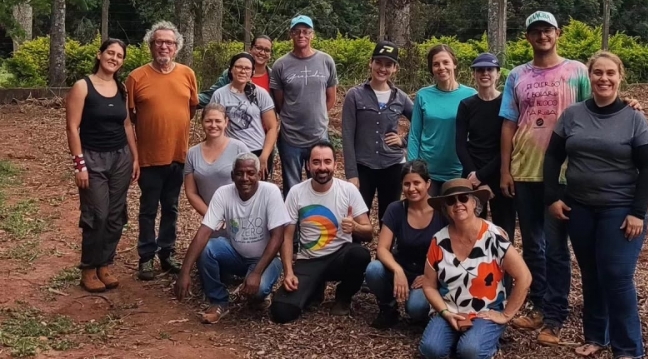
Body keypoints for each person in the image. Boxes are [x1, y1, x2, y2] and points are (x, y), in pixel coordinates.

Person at [544, 51, 648, 358]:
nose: (604, 78)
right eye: (598, 73)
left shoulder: (634, 118)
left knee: (617, 276)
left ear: (620, 77)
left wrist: (637, 212)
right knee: (592, 273)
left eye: (610, 73)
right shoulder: (573, 114)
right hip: (579, 207)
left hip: (620, 210)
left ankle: (628, 349)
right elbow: (553, 156)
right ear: (589, 77)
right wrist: (553, 196)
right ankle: (596, 336)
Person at [498, 11, 590, 342]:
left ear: (558, 33)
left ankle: (555, 316)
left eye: (547, 30)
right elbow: (509, 123)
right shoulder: (516, 75)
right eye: (535, 31)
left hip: (565, 174)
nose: (542, 36)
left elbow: (595, 108)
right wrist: (506, 170)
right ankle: (539, 305)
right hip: (525, 170)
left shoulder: (577, 71)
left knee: (556, 246)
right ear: (527, 37)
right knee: (533, 244)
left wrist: (629, 106)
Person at [418, 179, 531, 359]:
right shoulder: (438, 240)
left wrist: (506, 314)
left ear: (474, 202)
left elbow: (524, 276)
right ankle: (460, 336)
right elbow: (429, 285)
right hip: (450, 309)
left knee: (470, 351)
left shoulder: (493, 236)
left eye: (463, 198)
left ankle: (483, 341)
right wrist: (445, 313)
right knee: (431, 350)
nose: (458, 204)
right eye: (451, 201)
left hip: (485, 312)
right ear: (446, 209)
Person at [175, 153, 290, 324]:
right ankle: (219, 300)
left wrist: (257, 273)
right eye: (239, 173)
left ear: (259, 175)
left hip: (266, 259)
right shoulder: (223, 194)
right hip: (235, 253)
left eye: (250, 173)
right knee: (206, 248)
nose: (245, 178)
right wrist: (184, 272)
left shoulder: (270, 192)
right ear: (232, 175)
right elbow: (204, 232)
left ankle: (260, 295)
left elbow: (278, 236)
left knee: (257, 291)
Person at [65, 38, 140, 293]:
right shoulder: (82, 86)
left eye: (119, 56)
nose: (114, 58)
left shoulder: (121, 88)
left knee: (116, 215)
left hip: (120, 157)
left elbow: (127, 125)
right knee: (98, 214)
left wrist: (135, 157)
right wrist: (79, 164)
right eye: (110, 53)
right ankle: (88, 267)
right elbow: (73, 128)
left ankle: (104, 264)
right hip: (93, 157)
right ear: (99, 55)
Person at [127, 21, 199, 281]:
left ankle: (166, 254)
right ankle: (146, 257)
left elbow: (191, 110)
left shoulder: (187, 74)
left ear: (177, 47)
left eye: (169, 42)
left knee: (171, 207)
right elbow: (131, 117)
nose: (164, 46)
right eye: (159, 42)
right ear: (151, 46)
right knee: (148, 209)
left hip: (178, 155)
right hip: (148, 158)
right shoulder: (136, 77)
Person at [270, 141, 373, 323]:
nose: (322, 167)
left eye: (327, 161)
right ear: (308, 165)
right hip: (309, 259)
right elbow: (287, 236)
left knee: (360, 254)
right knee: (282, 312)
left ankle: (343, 297)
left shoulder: (348, 190)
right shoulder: (296, 192)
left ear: (335, 164)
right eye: (316, 162)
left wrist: (355, 227)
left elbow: (369, 232)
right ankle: (315, 288)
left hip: (339, 256)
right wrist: (288, 272)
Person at [365, 160, 447, 328]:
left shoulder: (441, 211)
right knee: (373, 269)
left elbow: (453, 252)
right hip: (402, 265)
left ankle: (427, 312)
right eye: (406, 184)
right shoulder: (396, 209)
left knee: (416, 309)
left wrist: (432, 276)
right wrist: (397, 270)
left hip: (430, 273)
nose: (412, 188)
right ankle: (388, 308)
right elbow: (382, 248)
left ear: (428, 183)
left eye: (417, 183)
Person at [342, 40, 413, 222]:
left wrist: (403, 141)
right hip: (363, 166)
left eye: (388, 64)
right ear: (371, 63)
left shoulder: (400, 97)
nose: (383, 69)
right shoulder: (355, 95)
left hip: (393, 166)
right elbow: (347, 136)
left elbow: (422, 124)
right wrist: (351, 174)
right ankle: (357, 251)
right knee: (358, 217)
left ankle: (385, 250)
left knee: (388, 219)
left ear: (395, 68)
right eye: (379, 63)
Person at [270, 16, 338, 195]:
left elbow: (330, 98)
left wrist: (317, 114)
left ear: (312, 34)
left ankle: (316, 221)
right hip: (290, 136)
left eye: (306, 31)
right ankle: (294, 222)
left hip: (318, 134)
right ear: (291, 34)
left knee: (319, 183)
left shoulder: (326, 61)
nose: (301, 35)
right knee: (292, 187)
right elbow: (279, 102)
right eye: (297, 31)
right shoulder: (281, 65)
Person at [456, 52, 516, 241]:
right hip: (472, 175)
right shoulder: (466, 105)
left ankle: (505, 270)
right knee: (471, 231)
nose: (484, 74)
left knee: (503, 233)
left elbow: (509, 144)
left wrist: (483, 176)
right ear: (474, 74)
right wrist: (475, 177)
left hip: (501, 175)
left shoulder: (508, 104)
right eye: (479, 70)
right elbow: (459, 144)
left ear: (498, 73)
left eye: (489, 69)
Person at [407, 45, 476, 195]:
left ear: (454, 64)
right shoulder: (423, 95)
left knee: (456, 216)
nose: (441, 67)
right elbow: (414, 134)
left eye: (446, 62)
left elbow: (477, 135)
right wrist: (413, 169)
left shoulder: (471, 95)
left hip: (460, 171)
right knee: (429, 217)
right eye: (436, 64)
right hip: (428, 172)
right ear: (431, 68)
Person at [210, 53, 279, 178]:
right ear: (231, 69)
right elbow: (213, 125)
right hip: (230, 151)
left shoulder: (260, 94)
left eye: (247, 68)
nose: (243, 71)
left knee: (257, 192)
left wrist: (264, 156)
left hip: (257, 150)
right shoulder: (219, 95)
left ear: (252, 71)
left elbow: (272, 127)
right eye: (238, 67)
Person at [184, 103, 248, 216]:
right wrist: (212, 216)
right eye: (208, 121)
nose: (213, 125)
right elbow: (191, 192)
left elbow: (251, 184)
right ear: (202, 122)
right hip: (210, 220)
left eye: (218, 121)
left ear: (226, 122)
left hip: (239, 215)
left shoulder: (239, 149)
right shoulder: (192, 154)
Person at [198, 35, 274, 106]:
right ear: (250, 49)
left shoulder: (274, 77)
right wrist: (189, 98)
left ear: (270, 54)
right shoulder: (233, 73)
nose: (262, 53)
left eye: (267, 50)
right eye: (258, 48)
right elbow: (210, 96)